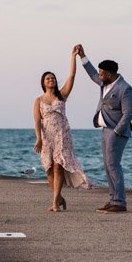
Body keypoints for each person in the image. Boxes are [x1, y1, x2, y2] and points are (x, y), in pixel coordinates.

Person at [75, 44, 132, 213]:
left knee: (113, 164)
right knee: (108, 165)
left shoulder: (125, 88)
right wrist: (83, 56)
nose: (99, 75)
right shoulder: (104, 82)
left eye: (102, 73)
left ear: (109, 73)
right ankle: (113, 199)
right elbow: (92, 73)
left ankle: (120, 202)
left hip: (117, 132)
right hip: (105, 130)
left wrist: (117, 131)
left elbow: (129, 113)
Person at [33, 46, 92, 212]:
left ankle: (54, 204)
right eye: (47, 78)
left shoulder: (62, 95)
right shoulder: (38, 100)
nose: (51, 80)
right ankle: (58, 197)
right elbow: (37, 121)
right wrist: (38, 138)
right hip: (46, 137)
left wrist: (73, 56)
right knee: (49, 169)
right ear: (43, 83)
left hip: (61, 135)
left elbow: (71, 76)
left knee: (59, 166)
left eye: (52, 78)